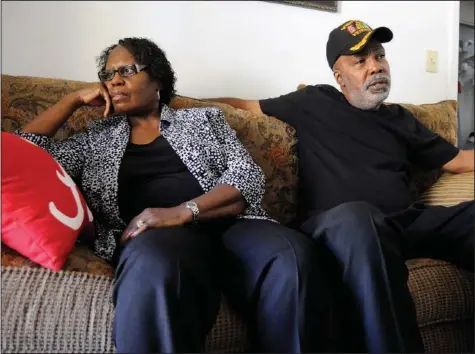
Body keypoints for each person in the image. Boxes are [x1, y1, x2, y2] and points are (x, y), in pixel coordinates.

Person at [16, 37, 332, 353]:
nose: (114, 80)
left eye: (126, 70)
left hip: (233, 225)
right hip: (160, 239)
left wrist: (184, 210)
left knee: (291, 254)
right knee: (154, 261)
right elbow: (22, 153)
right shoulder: (95, 140)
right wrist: (73, 100)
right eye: (108, 75)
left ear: (157, 79)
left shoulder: (204, 120)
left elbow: (245, 175)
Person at [208, 20, 475, 354]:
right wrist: (168, 102)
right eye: (360, 61)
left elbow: (457, 162)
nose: (375, 66)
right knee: (358, 218)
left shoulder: (400, 118)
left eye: (379, 56)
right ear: (339, 76)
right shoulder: (313, 100)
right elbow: (243, 106)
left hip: (401, 224)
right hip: (338, 226)